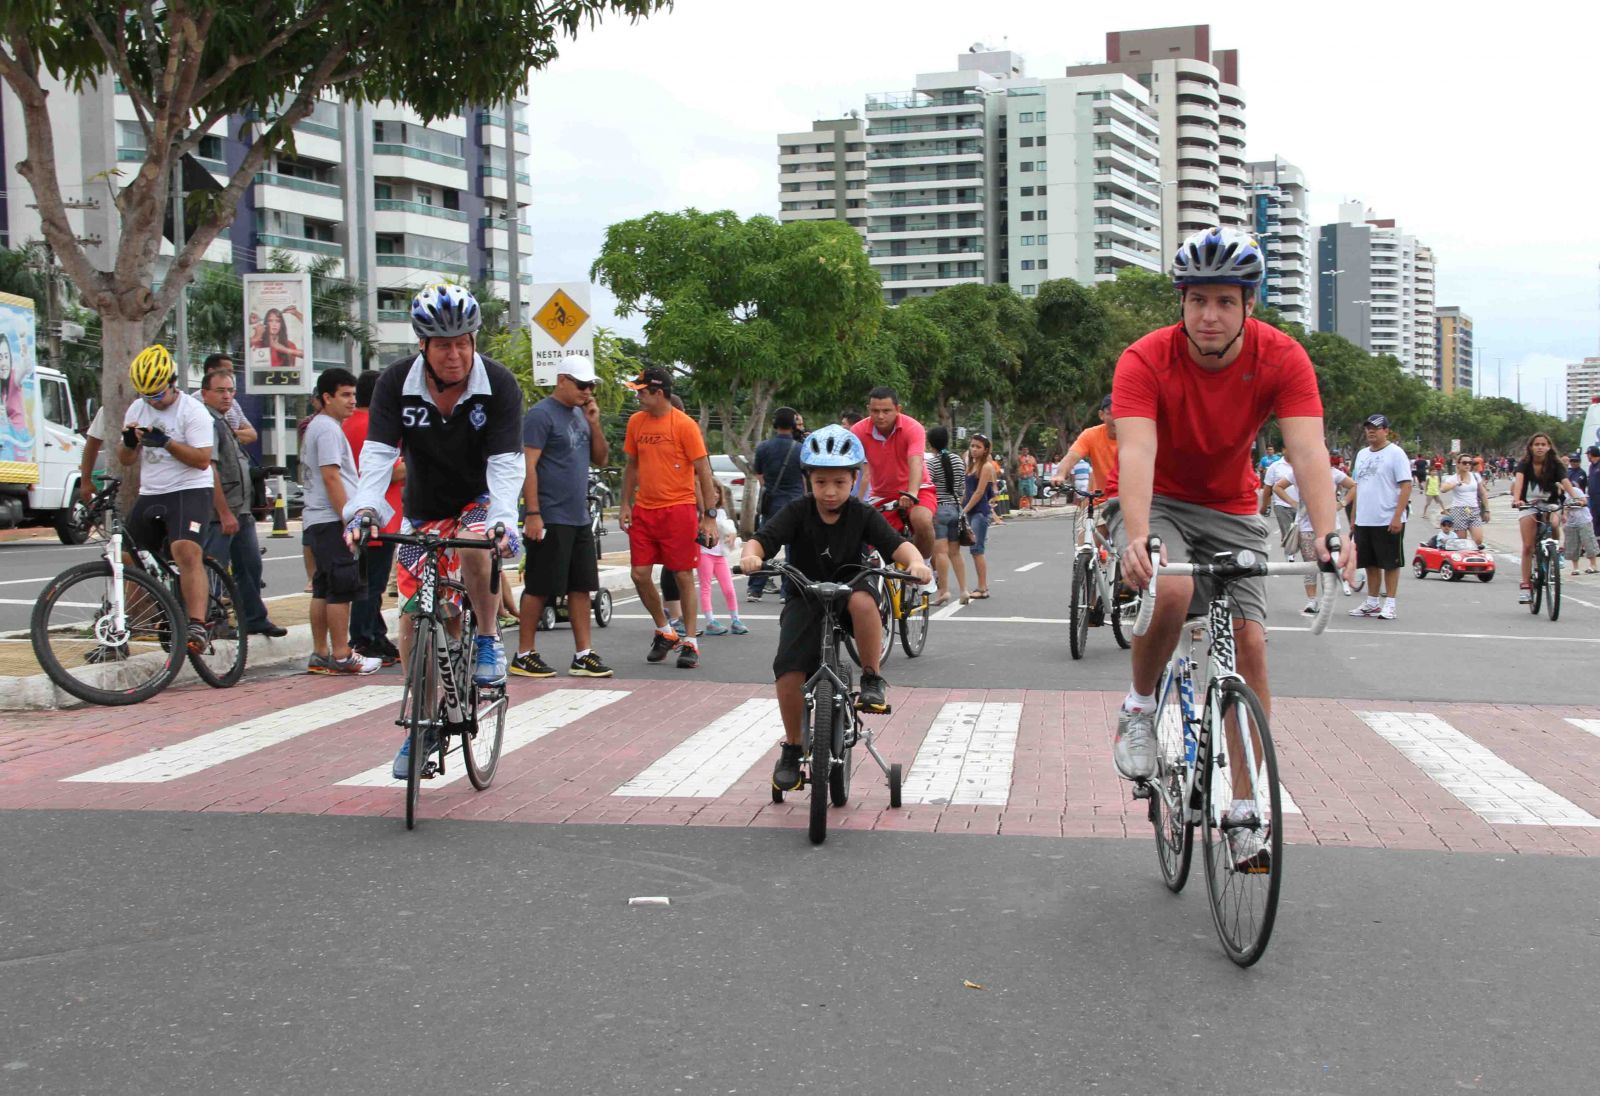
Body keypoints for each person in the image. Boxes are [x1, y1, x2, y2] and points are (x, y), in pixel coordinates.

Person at [1110, 226, 1350, 872]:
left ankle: (1245, 809)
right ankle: (1138, 706)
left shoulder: (1283, 358)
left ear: (1250, 303)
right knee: (1174, 588)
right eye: (1197, 300)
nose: (1209, 315)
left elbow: (1308, 452)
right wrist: (1140, 538)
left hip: (1235, 508)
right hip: (1161, 499)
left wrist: (1329, 535)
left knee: (1251, 647)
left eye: (1224, 301)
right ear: (1181, 303)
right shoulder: (1145, 359)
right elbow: (1137, 451)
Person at [343, 284, 523, 779]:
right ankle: (421, 726)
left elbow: (506, 463)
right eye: (443, 345)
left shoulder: (499, 383)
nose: (455, 354)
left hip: (480, 497)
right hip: (422, 508)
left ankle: (487, 638)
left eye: (463, 342)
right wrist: (365, 510)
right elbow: (379, 456)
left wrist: (504, 520)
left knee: (476, 543)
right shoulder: (395, 383)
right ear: (422, 344)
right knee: (413, 616)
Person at [738, 425, 931, 791]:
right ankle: (794, 747)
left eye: (840, 482)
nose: (830, 491)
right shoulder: (797, 511)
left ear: (855, 480)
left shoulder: (862, 513)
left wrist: (917, 562)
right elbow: (761, 541)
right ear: (808, 480)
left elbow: (897, 546)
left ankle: (871, 678)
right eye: (821, 482)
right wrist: (751, 557)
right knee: (789, 670)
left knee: (862, 600)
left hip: (851, 589)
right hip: (805, 593)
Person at [119, 345, 226, 654]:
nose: (153, 401)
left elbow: (202, 460)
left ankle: (196, 623)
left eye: (157, 394)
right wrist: (129, 443)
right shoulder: (137, 409)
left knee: (185, 550)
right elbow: (126, 460)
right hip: (153, 490)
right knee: (129, 557)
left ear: (172, 382)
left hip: (189, 488)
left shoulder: (192, 411)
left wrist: (166, 442)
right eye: (146, 396)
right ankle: (131, 622)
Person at [512, 352, 612, 679]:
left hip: (578, 515)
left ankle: (583, 654)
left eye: (590, 385)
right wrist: (533, 513)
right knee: (540, 586)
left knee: (581, 586)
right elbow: (528, 466)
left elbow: (601, 458)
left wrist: (594, 423)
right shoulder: (541, 415)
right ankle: (524, 654)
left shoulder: (582, 415)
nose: (587, 391)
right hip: (550, 514)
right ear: (562, 381)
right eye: (581, 385)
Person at [619, 366, 719, 670]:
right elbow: (631, 466)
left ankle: (690, 641)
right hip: (644, 510)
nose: (638, 397)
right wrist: (625, 504)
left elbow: (703, 471)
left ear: (658, 393)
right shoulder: (636, 422)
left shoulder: (685, 425)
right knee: (639, 574)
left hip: (678, 509)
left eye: (641, 392)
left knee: (682, 575)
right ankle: (665, 630)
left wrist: (709, 516)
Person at [299, 369, 379, 674]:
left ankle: (321, 654)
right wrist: (349, 518)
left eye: (354, 394)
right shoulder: (328, 429)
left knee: (323, 588)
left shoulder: (319, 427)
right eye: (345, 395)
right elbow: (331, 476)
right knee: (342, 588)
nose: (352, 401)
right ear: (326, 397)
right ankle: (343, 655)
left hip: (317, 519)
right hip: (332, 519)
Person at [197, 366, 284, 639]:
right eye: (220, 391)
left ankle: (254, 619)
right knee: (214, 570)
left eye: (230, 391)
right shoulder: (207, 422)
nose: (227, 396)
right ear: (205, 393)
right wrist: (224, 512)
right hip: (220, 514)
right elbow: (210, 470)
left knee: (250, 567)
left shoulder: (224, 421)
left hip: (242, 511)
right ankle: (212, 623)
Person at [850, 386, 937, 592]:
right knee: (870, 538)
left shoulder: (912, 427)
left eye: (886, 411)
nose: (880, 416)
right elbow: (851, 466)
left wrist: (912, 493)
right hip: (881, 494)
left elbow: (915, 461)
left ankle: (923, 567)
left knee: (922, 520)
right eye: (875, 411)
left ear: (898, 409)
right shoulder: (858, 431)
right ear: (868, 409)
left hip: (917, 489)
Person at [342, 370, 403, 665]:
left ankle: (375, 633)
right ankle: (364, 637)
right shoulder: (375, 426)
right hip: (380, 513)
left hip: (364, 511)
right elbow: (393, 470)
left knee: (369, 581)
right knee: (372, 583)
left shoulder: (348, 425)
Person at [1273, 454, 1357, 614]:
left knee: (1328, 563)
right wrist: (1293, 503)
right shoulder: (1298, 473)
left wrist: (1342, 503)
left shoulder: (1333, 473)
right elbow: (1278, 487)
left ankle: (1326, 601)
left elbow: (1353, 486)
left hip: (1330, 526)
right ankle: (1312, 600)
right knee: (1310, 564)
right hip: (1306, 525)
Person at [1348, 414, 1412, 621]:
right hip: (1365, 518)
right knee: (1370, 563)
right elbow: (1358, 486)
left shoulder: (1396, 453)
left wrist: (1397, 516)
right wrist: (1354, 516)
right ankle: (1372, 602)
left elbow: (1406, 485)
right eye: (1368, 428)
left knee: (1390, 562)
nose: (1371, 431)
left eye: (1375, 428)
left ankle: (1390, 603)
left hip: (1387, 518)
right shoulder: (1362, 454)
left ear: (1386, 430)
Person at [1511, 432, 1587, 602]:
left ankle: (1555, 552)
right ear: (1531, 447)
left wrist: (1576, 498)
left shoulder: (1555, 463)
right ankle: (1526, 585)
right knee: (1528, 546)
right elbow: (1519, 483)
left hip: (1551, 503)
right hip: (1528, 504)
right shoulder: (1524, 464)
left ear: (1549, 447)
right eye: (1536, 444)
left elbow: (1565, 482)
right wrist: (1517, 500)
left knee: (1553, 523)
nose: (1540, 447)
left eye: (1543, 444)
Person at [746, 406, 805, 603]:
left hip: (771, 502)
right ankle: (787, 591)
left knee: (765, 544)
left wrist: (770, 488)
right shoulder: (800, 449)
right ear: (793, 425)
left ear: (775, 424)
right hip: (794, 502)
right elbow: (805, 477)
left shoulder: (763, 447)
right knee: (793, 549)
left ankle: (755, 589)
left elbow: (759, 474)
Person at [926, 424, 970, 606]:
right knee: (955, 552)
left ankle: (944, 591)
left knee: (941, 552)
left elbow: (928, 487)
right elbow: (961, 489)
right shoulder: (958, 460)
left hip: (939, 508)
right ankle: (964, 590)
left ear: (930, 444)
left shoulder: (931, 463)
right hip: (955, 508)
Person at [697, 482, 746, 636]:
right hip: (704, 553)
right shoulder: (700, 513)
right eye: (711, 491)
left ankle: (736, 620)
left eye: (717, 491)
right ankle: (710, 622)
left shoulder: (722, 512)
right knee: (706, 588)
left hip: (720, 555)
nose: (715, 494)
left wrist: (733, 534)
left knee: (729, 589)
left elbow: (728, 530)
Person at [961, 432, 998, 599]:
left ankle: (983, 588)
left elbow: (979, 492)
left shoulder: (987, 467)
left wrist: (964, 510)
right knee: (974, 550)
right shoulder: (971, 465)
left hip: (980, 513)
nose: (974, 449)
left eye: (978, 447)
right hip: (970, 511)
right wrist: (961, 506)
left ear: (985, 450)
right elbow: (967, 491)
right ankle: (981, 587)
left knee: (977, 549)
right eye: (972, 446)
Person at [1438, 454, 1487, 548]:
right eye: (1464, 463)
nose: (1467, 465)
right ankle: (1464, 556)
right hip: (1459, 510)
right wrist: (1456, 483)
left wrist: (1487, 510)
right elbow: (1443, 489)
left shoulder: (1475, 476)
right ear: (1458, 464)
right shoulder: (1453, 478)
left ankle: (1472, 555)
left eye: (1470, 463)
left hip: (1474, 509)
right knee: (1461, 542)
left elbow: (1483, 493)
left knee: (1478, 540)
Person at [1260, 452, 1298, 560]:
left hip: (1301, 505)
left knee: (1302, 533)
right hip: (1281, 505)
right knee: (1287, 532)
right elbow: (1268, 487)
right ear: (1284, 449)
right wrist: (1265, 506)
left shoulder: (1302, 464)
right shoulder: (1275, 466)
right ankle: (1290, 558)